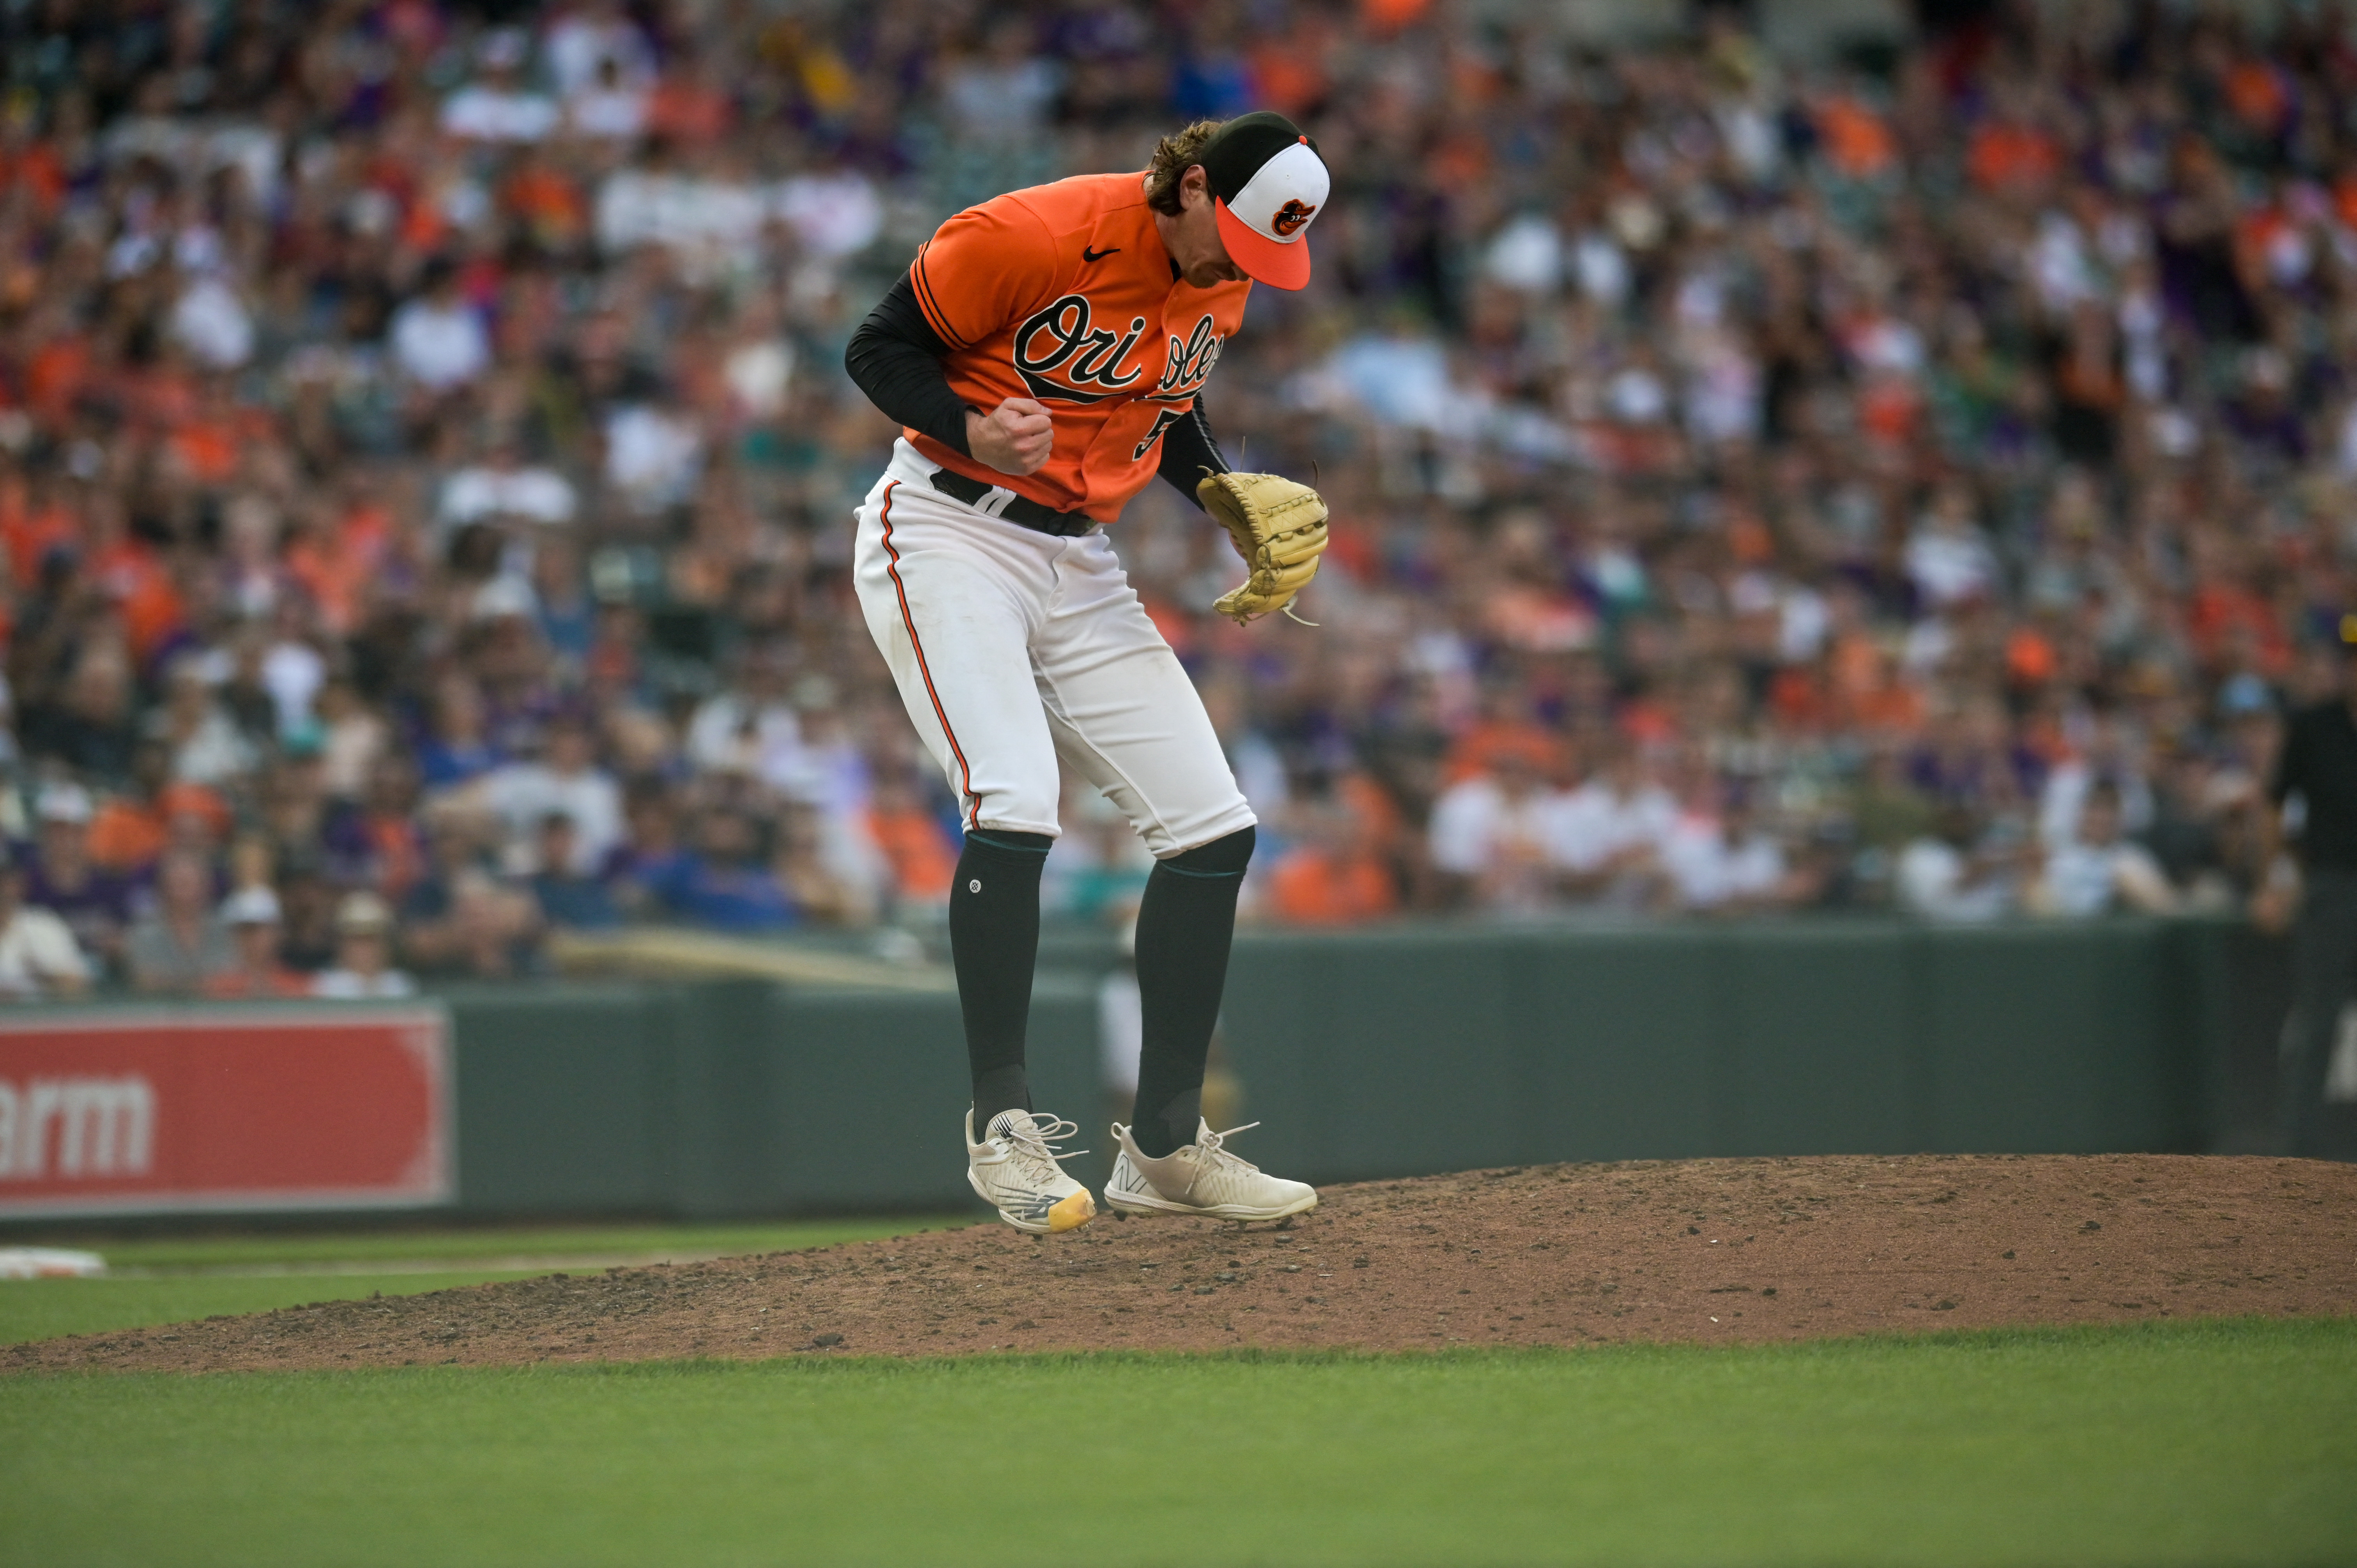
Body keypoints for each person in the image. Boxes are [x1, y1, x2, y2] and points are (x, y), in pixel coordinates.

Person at [841, 112, 1332, 1231]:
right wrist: (968, 420)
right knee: (1014, 800)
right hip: (947, 529)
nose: (1240, 266)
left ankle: (1162, 1152)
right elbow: (878, 348)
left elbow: (1160, 406)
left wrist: (1215, 488)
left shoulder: (1221, 270)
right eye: (1237, 237)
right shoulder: (1032, 231)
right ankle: (1000, 1130)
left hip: (1079, 551)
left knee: (1213, 828)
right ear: (1195, 186)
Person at [2254, 623, 2357, 1155]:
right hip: (2333, 887)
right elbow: (2274, 804)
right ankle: (2293, 1160)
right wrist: (2272, 881)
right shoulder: (2314, 727)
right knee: (2317, 1019)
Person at [125, 850, 234, 995]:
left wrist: (171, 982)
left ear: (207, 888)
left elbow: (232, 978)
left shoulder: (226, 930)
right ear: (163, 888)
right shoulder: (143, 933)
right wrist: (200, 985)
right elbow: (145, 981)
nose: (186, 892)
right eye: (179, 884)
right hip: (157, 1013)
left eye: (191, 884)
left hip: (218, 1013)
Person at [0, 860, 90, 999]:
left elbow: (77, 985)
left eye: (7, 881)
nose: (3, 889)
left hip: (41, 1016)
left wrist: (40, 975)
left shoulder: (44, 925)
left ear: (20, 885)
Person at [201, 886, 310, 998]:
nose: (250, 939)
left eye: (257, 931)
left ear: (278, 933)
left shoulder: (297, 985)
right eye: (243, 931)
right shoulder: (217, 987)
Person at [312, 892, 418, 999]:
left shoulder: (400, 985)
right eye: (357, 941)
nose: (365, 950)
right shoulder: (324, 986)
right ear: (342, 945)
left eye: (372, 941)